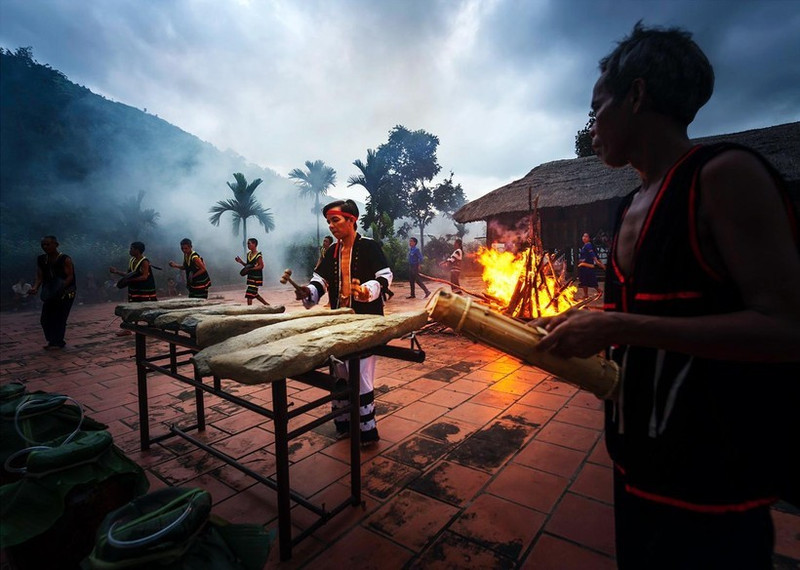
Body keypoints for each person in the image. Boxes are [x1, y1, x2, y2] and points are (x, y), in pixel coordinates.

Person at [532, 23, 800, 569]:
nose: (590, 128)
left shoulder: (723, 177)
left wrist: (618, 328)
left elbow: (787, 330)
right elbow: (644, 326)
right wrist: (580, 336)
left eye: (599, 105)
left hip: (713, 480)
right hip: (635, 462)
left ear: (636, 95)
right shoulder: (629, 202)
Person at [294, 199, 392, 446]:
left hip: (366, 322)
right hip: (339, 322)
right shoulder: (332, 251)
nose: (331, 226)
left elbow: (385, 276)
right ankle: (344, 424)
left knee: (360, 376)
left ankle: (367, 431)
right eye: (328, 222)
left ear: (351, 220)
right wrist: (309, 291)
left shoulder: (369, 246)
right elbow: (321, 280)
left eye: (335, 220)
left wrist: (367, 291)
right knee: (339, 372)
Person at [29, 235, 77, 350]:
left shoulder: (65, 259)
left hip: (66, 292)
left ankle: (58, 342)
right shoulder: (41, 259)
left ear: (56, 245)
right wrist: (35, 287)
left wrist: (59, 287)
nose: (45, 247)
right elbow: (39, 276)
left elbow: (70, 276)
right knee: (45, 319)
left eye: (48, 244)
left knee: (60, 317)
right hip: (49, 292)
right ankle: (52, 340)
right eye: (43, 245)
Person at [235, 238, 269, 306]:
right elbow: (248, 266)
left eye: (249, 243)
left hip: (256, 278)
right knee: (255, 293)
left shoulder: (258, 255)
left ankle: (249, 310)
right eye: (247, 244)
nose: (248, 245)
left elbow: (261, 266)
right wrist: (241, 262)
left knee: (249, 294)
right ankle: (267, 305)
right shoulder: (248, 254)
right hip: (250, 277)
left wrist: (252, 269)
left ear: (254, 244)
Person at [577, 232, 605, 298]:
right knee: (584, 281)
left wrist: (597, 262)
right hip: (583, 266)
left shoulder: (588, 245)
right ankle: (586, 294)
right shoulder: (585, 246)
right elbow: (595, 254)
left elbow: (593, 254)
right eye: (583, 236)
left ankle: (599, 291)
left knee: (591, 280)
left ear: (589, 239)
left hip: (588, 266)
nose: (584, 238)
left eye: (586, 237)